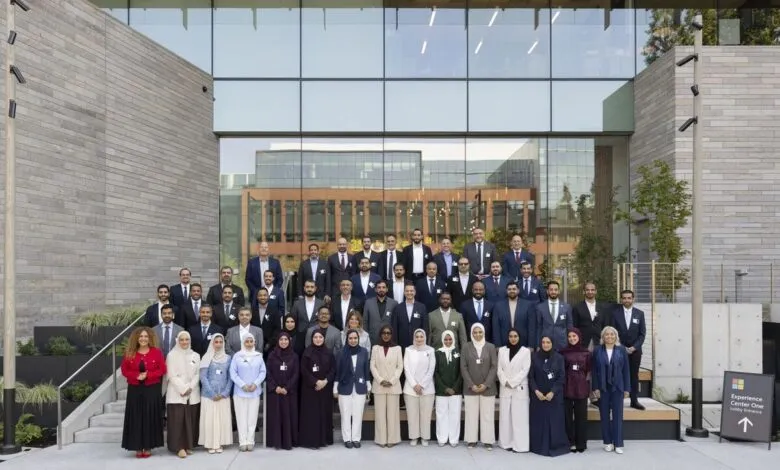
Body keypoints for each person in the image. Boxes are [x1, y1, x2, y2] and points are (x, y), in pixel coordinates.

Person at [121, 327, 166, 458]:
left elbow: (162, 369)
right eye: (141, 336)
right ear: (136, 338)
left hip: (152, 388)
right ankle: (137, 446)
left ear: (150, 338)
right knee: (136, 417)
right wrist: (136, 375)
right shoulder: (130, 352)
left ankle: (148, 446)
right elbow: (125, 370)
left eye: (146, 336)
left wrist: (149, 375)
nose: (143, 339)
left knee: (149, 416)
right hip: (135, 389)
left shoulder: (156, 353)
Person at [592, 326, 631, 454]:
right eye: (606, 335)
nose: (609, 336)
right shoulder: (597, 350)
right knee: (604, 416)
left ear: (616, 336)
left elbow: (626, 371)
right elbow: (594, 371)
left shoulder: (622, 350)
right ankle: (607, 442)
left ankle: (618, 443)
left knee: (618, 416)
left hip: (618, 387)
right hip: (603, 388)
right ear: (603, 337)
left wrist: (627, 388)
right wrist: (595, 388)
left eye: (612, 334)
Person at [529, 336, 569, 457]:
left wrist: (553, 392)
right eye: (543, 342)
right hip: (538, 397)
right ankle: (538, 446)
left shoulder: (559, 358)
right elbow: (531, 377)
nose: (545, 344)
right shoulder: (534, 357)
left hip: (554, 397)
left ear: (552, 343)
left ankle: (555, 445)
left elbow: (561, 377)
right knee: (539, 422)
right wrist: (536, 391)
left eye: (548, 342)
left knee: (554, 422)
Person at [461, 323, 497, 450]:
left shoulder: (491, 347)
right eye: (475, 332)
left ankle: (488, 440)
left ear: (484, 333)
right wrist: (471, 385)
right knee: (471, 414)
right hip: (471, 389)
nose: (477, 334)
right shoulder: (466, 347)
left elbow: (494, 367)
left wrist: (486, 384)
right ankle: (471, 440)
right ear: (471, 333)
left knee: (487, 415)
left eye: (480, 332)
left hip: (488, 388)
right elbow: (463, 367)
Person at [165, 331, 201, 458]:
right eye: (182, 340)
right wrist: (183, 388)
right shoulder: (171, 355)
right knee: (177, 421)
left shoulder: (195, 355)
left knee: (190, 420)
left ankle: (188, 445)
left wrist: (190, 387)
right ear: (177, 341)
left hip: (192, 393)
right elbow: (171, 375)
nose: (184, 342)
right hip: (176, 393)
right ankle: (178, 447)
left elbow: (198, 373)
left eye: (187, 339)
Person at [299, 331, 336, 449]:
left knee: (324, 413)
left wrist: (325, 381)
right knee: (312, 415)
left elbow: (333, 369)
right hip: (310, 389)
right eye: (315, 337)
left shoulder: (329, 353)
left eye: (320, 337)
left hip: (325, 389)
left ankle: (324, 440)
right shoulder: (307, 352)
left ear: (324, 339)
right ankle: (311, 441)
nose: (318, 339)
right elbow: (303, 370)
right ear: (312, 338)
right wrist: (316, 381)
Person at [334, 329, 371, 448]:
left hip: (360, 387)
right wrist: (335, 387)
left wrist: (368, 385)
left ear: (358, 339)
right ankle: (347, 439)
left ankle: (356, 438)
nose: (353, 340)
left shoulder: (364, 352)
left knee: (358, 414)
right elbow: (337, 372)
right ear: (347, 339)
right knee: (345, 414)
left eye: (355, 338)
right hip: (344, 386)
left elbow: (366, 369)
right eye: (350, 338)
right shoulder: (340, 353)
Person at [229, 334, 267, 452]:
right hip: (240, 392)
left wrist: (255, 383)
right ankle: (242, 441)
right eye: (247, 341)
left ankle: (250, 440)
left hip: (254, 392)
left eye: (251, 341)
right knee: (241, 417)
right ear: (243, 343)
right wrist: (243, 385)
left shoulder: (258, 356)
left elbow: (263, 372)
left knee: (252, 417)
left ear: (254, 343)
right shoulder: (237, 356)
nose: (249, 344)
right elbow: (233, 373)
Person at [497, 328, 532, 453]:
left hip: (519, 387)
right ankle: (506, 443)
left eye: (515, 336)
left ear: (519, 337)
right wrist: (505, 381)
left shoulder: (525, 351)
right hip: (505, 387)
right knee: (505, 417)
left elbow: (525, 370)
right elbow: (499, 369)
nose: (513, 338)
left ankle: (520, 445)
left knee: (519, 418)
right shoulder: (502, 350)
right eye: (511, 336)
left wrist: (512, 382)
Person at [198, 333, 233, 454]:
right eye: (216, 342)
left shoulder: (228, 358)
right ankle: (210, 444)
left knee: (221, 420)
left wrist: (225, 393)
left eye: (220, 342)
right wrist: (212, 394)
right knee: (209, 420)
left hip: (223, 395)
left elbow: (230, 377)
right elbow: (203, 377)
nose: (218, 344)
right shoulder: (206, 357)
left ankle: (219, 443)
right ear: (212, 343)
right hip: (209, 396)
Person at [370, 325, 403, 448]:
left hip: (393, 386)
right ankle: (381, 439)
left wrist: (392, 380)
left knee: (392, 414)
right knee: (380, 414)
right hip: (379, 386)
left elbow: (400, 366)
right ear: (380, 334)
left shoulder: (398, 348)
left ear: (391, 335)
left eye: (388, 333)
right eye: (383, 333)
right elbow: (372, 366)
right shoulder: (375, 348)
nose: (386, 335)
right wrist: (380, 380)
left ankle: (392, 439)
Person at [266, 332, 300, 450]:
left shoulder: (294, 356)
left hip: (289, 393)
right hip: (275, 393)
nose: (284, 342)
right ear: (278, 341)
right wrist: (276, 387)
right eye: (281, 339)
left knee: (289, 416)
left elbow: (296, 374)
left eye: (286, 339)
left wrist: (286, 388)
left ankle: (288, 441)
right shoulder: (272, 355)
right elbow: (268, 373)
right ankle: (276, 441)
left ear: (289, 341)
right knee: (276, 416)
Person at [403, 329, 436, 446]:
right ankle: (414, 437)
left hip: (427, 389)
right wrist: (414, 385)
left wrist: (421, 385)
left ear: (425, 337)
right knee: (412, 414)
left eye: (421, 336)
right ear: (414, 338)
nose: (419, 339)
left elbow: (431, 369)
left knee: (425, 415)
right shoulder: (408, 350)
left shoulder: (431, 351)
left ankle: (425, 437)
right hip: (410, 389)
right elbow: (406, 368)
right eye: (417, 336)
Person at [560, 327, 591, 453]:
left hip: (581, 387)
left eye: (574, 336)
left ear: (579, 337)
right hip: (567, 386)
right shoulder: (563, 352)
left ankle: (581, 443)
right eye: (569, 337)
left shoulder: (586, 353)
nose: (572, 339)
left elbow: (589, 372)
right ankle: (570, 442)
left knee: (581, 417)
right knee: (567, 417)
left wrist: (589, 390)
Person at [433, 330, 462, 447]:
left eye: (450, 339)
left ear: (453, 340)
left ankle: (454, 439)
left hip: (456, 391)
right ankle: (442, 438)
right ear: (442, 340)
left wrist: (454, 388)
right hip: (441, 391)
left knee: (455, 415)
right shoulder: (438, 353)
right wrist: (444, 388)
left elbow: (461, 372)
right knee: (441, 415)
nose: (448, 341)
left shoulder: (458, 352)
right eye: (446, 339)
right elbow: (435, 372)